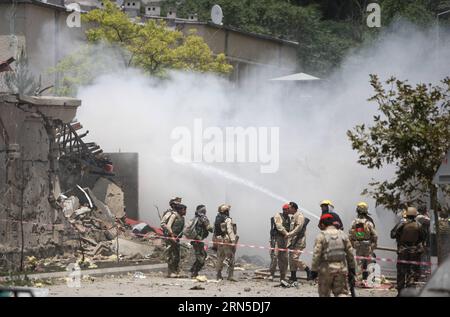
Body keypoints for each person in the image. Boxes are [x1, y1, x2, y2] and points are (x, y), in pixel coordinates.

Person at [311, 213, 356, 297]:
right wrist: (352, 268)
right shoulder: (343, 235)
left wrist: (314, 270)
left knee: (324, 294)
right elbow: (350, 253)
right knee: (341, 293)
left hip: (326, 269)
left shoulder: (321, 236)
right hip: (341, 269)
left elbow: (316, 254)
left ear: (322, 224)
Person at [391, 207, 426, 296]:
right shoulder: (418, 225)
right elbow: (423, 237)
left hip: (403, 251)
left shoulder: (401, 223)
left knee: (401, 273)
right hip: (414, 252)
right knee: (413, 273)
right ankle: (410, 292)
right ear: (415, 215)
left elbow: (392, 234)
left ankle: (400, 293)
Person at [349, 202, 378, 281]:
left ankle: (359, 280)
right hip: (368, 245)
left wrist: (352, 244)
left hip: (358, 245)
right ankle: (370, 280)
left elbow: (350, 235)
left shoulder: (354, 222)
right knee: (370, 263)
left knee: (359, 263)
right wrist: (374, 244)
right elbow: (375, 235)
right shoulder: (369, 222)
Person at [286, 201, 312, 283]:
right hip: (293, 241)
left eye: (289, 208)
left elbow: (298, 228)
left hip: (299, 241)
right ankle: (293, 276)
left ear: (293, 208)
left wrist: (289, 234)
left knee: (294, 258)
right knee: (291, 259)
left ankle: (307, 270)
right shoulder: (293, 217)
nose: (288, 209)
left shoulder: (299, 216)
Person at [161, 203, 186, 278]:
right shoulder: (174, 215)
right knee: (171, 255)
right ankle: (170, 272)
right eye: (184, 210)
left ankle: (176, 271)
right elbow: (168, 226)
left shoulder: (182, 218)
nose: (185, 211)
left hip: (177, 238)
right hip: (171, 238)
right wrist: (172, 235)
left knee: (177, 255)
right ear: (180, 210)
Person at [214, 204, 238, 281]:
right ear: (226, 211)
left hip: (219, 240)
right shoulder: (227, 219)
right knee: (231, 257)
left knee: (220, 257)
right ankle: (230, 275)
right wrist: (233, 241)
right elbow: (230, 230)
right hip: (226, 241)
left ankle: (218, 275)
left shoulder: (217, 218)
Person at [189, 205, 213, 278]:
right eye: (204, 210)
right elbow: (209, 228)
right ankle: (194, 272)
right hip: (198, 240)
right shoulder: (203, 217)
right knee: (201, 259)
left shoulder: (196, 217)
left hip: (196, 240)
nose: (205, 211)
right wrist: (216, 228)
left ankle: (193, 269)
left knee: (202, 255)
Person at [272, 204, 292, 283]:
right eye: (284, 210)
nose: (286, 211)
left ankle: (283, 276)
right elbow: (279, 226)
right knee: (275, 256)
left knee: (284, 259)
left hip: (285, 240)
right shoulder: (278, 215)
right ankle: (272, 274)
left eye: (287, 210)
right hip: (278, 238)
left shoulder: (289, 218)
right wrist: (286, 233)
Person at [416, 205, 431, 280]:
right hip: (422, 242)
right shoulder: (420, 217)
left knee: (424, 258)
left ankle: (423, 274)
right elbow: (430, 220)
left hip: (423, 241)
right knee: (423, 258)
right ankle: (423, 275)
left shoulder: (418, 217)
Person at [268, 214, 278, 281]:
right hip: (273, 243)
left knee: (282, 260)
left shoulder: (281, 228)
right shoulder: (272, 230)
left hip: (280, 244)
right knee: (273, 258)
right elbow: (271, 238)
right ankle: (272, 274)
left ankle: (283, 275)